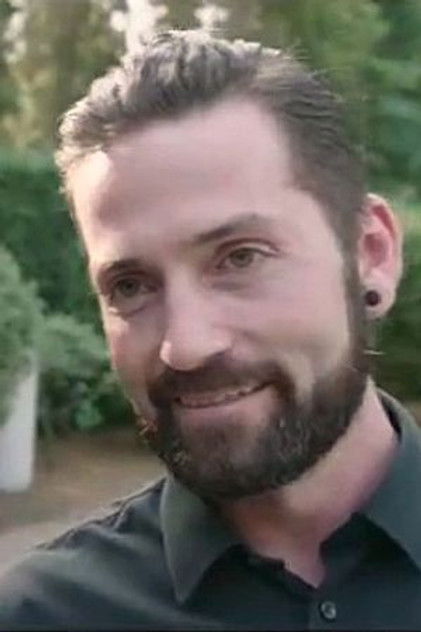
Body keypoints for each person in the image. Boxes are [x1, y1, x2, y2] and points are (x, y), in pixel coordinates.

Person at [0, 29, 419, 631]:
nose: (187, 345)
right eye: (131, 286)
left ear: (371, 253)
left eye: (240, 257)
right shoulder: (45, 616)